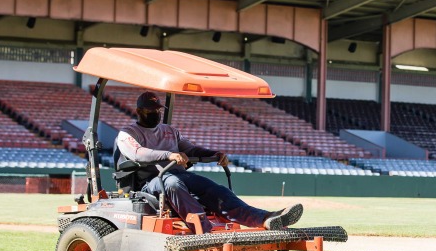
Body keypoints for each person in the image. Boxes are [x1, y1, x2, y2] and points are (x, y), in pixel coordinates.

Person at [115, 91, 302, 233]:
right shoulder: (128, 133)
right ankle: (205, 231)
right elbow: (138, 154)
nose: (155, 113)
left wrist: (215, 154)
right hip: (150, 183)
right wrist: (168, 155)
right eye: (151, 110)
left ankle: (265, 218)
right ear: (139, 111)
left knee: (217, 190)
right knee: (173, 183)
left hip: (179, 174)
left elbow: (191, 149)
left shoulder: (169, 131)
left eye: (158, 109)